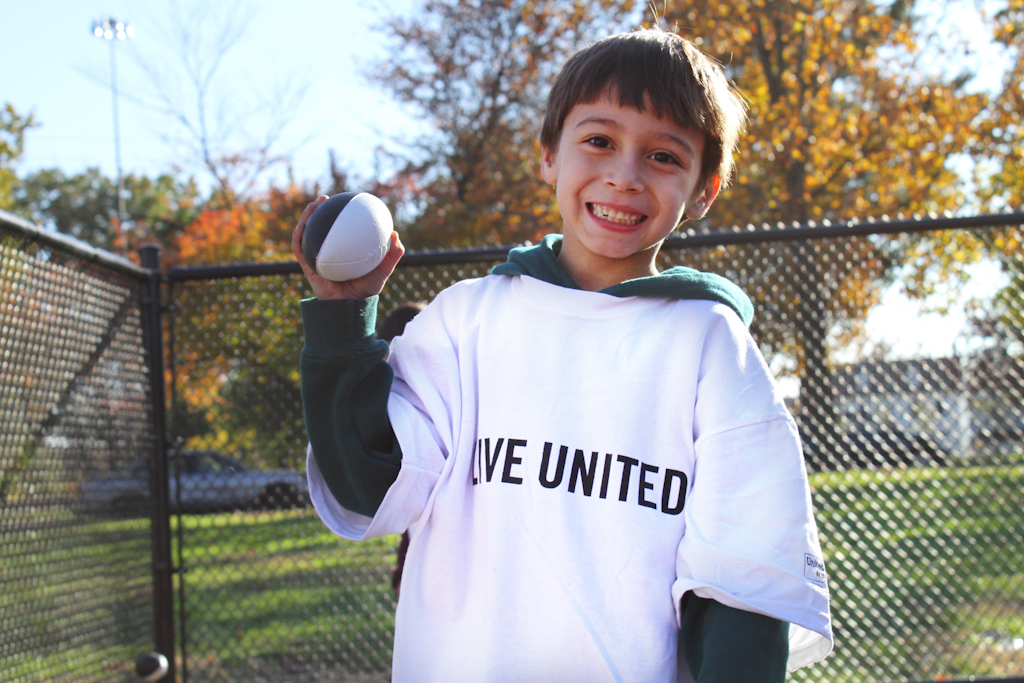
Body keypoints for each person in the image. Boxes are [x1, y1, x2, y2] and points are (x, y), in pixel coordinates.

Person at [292, 29, 833, 683]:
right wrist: (344, 322)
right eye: (599, 140)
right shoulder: (467, 320)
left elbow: (744, 576)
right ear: (549, 154)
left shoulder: (712, 345)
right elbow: (370, 480)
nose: (624, 175)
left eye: (663, 155)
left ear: (704, 190)